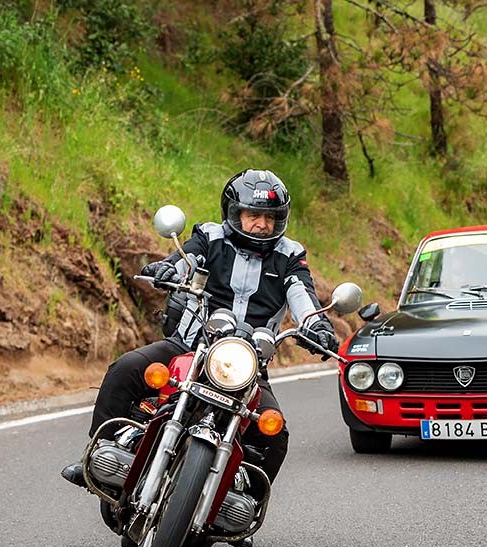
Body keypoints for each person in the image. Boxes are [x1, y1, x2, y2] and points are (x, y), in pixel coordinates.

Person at [61, 168, 338, 489]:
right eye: (253, 215)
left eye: (270, 217)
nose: (262, 224)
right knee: (125, 370)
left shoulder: (289, 255)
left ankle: (242, 501)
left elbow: (302, 294)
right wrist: (168, 267)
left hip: (247, 368)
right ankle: (96, 454)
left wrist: (318, 326)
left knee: (273, 434)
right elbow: (188, 258)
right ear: (235, 213)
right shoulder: (210, 237)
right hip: (190, 346)